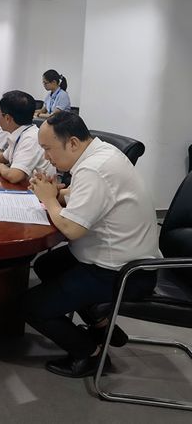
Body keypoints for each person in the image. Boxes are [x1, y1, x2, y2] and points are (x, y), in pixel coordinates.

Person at [25, 111, 159, 377]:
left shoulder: (94, 169)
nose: (46, 157)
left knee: (30, 306)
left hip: (123, 272)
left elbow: (72, 229)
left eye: (48, 149)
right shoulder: (102, 153)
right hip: (120, 256)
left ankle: (91, 355)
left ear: (73, 143)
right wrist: (56, 193)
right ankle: (102, 324)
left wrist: (49, 200)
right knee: (47, 265)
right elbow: (85, 193)